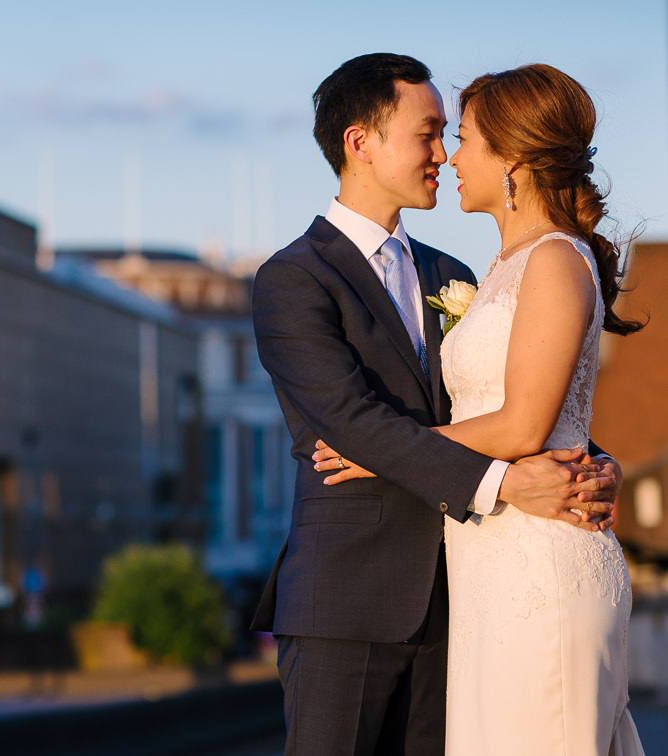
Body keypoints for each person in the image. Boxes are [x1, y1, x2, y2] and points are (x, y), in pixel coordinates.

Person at [249, 53, 622, 756]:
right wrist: (511, 482)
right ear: (361, 143)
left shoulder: (452, 275)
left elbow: (510, 401)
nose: (443, 153)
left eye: (451, 135)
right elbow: (353, 424)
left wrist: (592, 464)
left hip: (467, 599)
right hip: (349, 602)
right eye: (427, 134)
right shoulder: (293, 280)